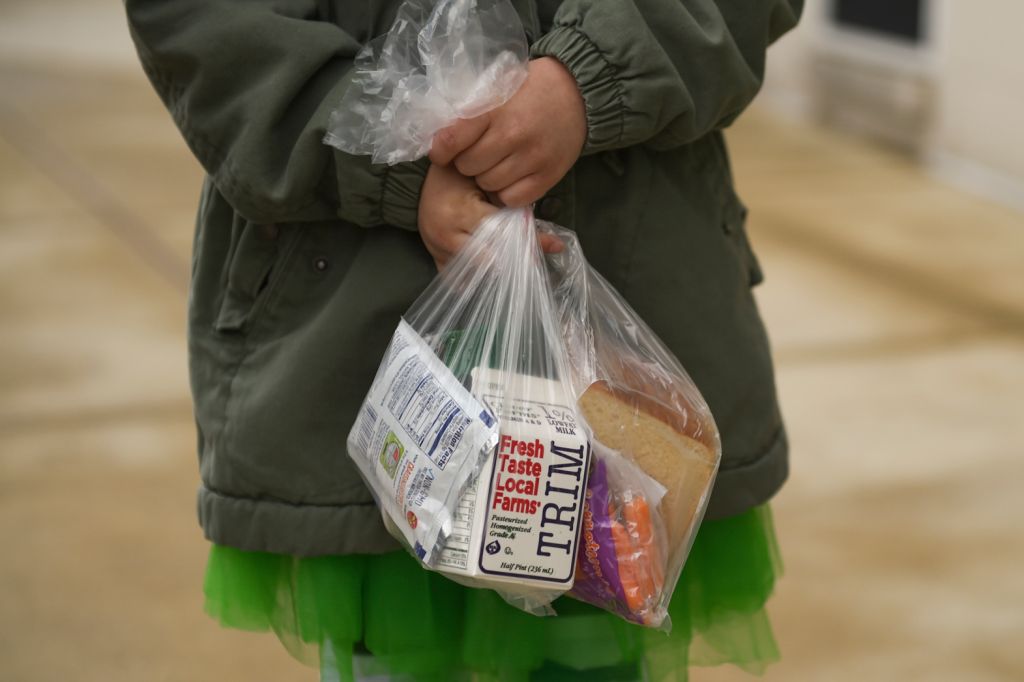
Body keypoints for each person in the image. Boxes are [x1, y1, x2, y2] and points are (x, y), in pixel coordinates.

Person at [126, 0, 802, 679]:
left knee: (603, 633)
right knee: (402, 651)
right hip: (360, 330)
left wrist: (588, 80)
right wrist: (389, 158)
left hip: (632, 295)